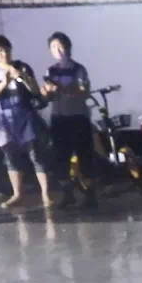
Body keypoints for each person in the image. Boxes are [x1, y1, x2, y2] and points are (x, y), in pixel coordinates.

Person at [0, 35, 54, 209]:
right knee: (11, 156)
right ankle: (17, 194)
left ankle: (45, 193)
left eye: (6, 49)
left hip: (25, 116)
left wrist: (22, 76)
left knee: (36, 155)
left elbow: (35, 90)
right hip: (5, 120)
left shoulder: (22, 66)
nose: (4, 53)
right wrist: (5, 83)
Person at [41, 31, 98, 209]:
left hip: (77, 118)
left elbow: (83, 92)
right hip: (59, 119)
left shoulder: (78, 69)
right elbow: (47, 98)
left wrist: (62, 88)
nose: (57, 50)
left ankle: (90, 194)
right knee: (60, 158)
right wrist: (46, 92)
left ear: (69, 48)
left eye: (60, 46)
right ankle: (68, 193)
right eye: (53, 47)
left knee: (84, 157)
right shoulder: (51, 70)